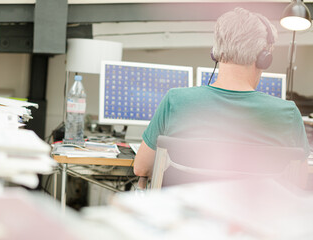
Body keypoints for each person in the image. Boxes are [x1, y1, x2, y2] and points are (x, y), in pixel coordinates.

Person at [133, 7, 310, 178]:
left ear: (215, 52)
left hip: (188, 208)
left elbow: (142, 168)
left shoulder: (175, 101)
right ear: (264, 58)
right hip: (255, 209)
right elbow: (299, 181)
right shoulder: (288, 114)